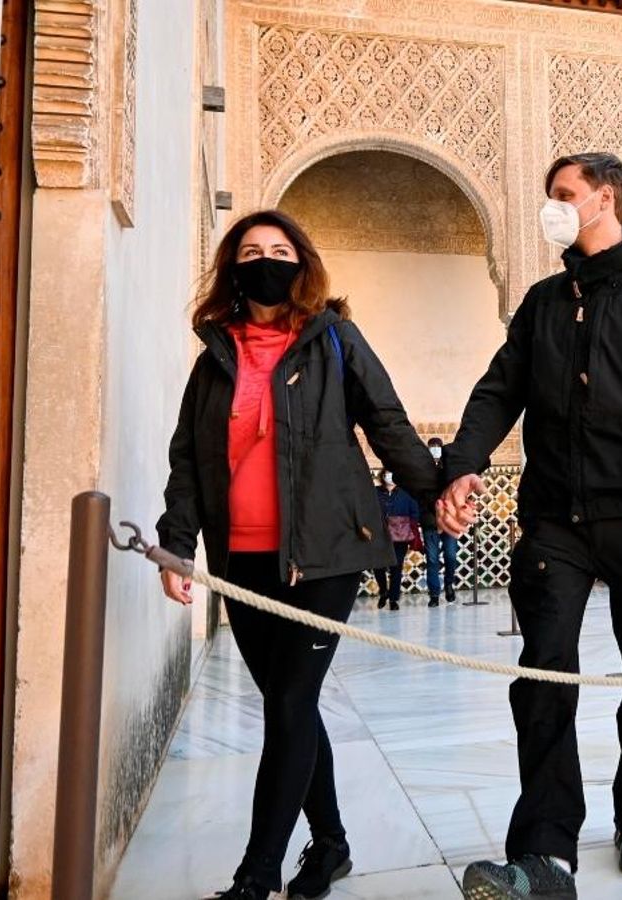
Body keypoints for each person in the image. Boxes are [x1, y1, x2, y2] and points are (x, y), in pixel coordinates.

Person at [437, 152, 622, 900]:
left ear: (605, 199)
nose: (555, 206)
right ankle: (545, 852)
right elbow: (496, 390)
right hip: (553, 522)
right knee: (543, 674)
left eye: (565, 195)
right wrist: (464, 463)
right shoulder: (543, 302)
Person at [155, 209, 441, 900]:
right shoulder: (215, 355)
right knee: (294, 709)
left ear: (302, 263)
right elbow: (191, 457)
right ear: (233, 267)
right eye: (251, 250)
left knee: (288, 704)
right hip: (242, 562)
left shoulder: (333, 337)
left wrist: (434, 497)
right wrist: (175, 543)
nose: (265, 260)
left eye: (279, 250)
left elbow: (387, 419)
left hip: (324, 556)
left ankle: (256, 877)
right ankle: (334, 845)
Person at [421, 437, 462, 606]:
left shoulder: (449, 467)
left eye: (438, 447)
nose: (435, 449)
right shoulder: (422, 469)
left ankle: (449, 584)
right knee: (432, 559)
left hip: (449, 520)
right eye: (432, 447)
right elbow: (421, 497)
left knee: (451, 555)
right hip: (430, 522)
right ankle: (434, 595)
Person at [373, 470, 421, 610]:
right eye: (387, 473)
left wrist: (407, 525)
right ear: (382, 476)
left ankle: (394, 599)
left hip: (400, 537)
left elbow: (414, 512)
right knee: (378, 567)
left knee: (396, 567)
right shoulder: (375, 492)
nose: (390, 476)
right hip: (380, 536)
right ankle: (383, 592)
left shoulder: (406, 493)